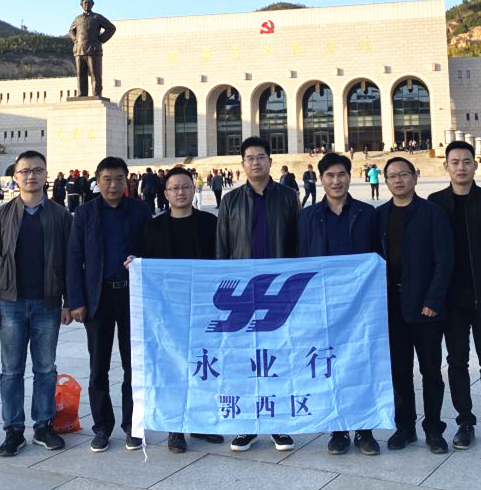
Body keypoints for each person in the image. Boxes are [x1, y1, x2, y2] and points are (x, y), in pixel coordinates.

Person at [0, 150, 73, 456]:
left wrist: (69, 301)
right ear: (15, 177)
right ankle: (13, 430)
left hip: (47, 303)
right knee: (11, 370)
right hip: (10, 303)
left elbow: (71, 261)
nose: (31, 176)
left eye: (37, 170)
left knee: (45, 368)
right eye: (25, 171)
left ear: (46, 175)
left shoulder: (61, 215)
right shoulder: (1, 215)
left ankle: (43, 426)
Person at [427, 141, 481, 453]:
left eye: (466, 161)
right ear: (446, 166)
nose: (461, 167)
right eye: (455, 162)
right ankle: (465, 422)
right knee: (457, 362)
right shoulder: (435, 203)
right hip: (452, 299)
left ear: (475, 165)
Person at [216, 136, 300, 453]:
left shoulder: (288, 197)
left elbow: (297, 242)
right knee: (245, 360)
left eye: (261, 157)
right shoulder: (231, 201)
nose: (255, 162)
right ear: (242, 164)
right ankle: (247, 425)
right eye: (250, 157)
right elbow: (222, 247)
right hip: (243, 293)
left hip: (277, 291)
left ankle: (278, 424)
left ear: (270, 161)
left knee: (276, 358)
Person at [297, 152, 381, 455]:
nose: (336, 181)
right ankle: (338, 430)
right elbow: (300, 259)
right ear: (320, 179)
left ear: (350, 176)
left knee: (361, 364)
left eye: (341, 174)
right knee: (330, 365)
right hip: (324, 303)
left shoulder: (367, 213)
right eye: (330, 176)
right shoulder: (307, 217)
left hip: (360, 304)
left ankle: (364, 429)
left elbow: (377, 256)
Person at [67, 157, 152, 453]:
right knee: (98, 366)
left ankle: (132, 426)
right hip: (98, 298)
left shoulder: (141, 210)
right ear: (98, 181)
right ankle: (102, 427)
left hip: (132, 297)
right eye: (107, 179)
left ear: (127, 180)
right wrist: (76, 301)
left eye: (118, 179)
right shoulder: (84, 213)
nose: (113, 185)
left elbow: (151, 250)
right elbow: (74, 258)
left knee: (133, 365)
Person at [137, 167, 224, 453]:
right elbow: (145, 263)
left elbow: (222, 261)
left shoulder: (210, 223)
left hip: (203, 307)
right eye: (174, 188)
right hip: (168, 311)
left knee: (203, 364)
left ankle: (201, 423)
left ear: (193, 189)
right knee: (173, 367)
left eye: (185, 186)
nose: (180, 192)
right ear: (165, 193)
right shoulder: (153, 227)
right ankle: (176, 428)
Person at [377, 156, 454, 453]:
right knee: (399, 372)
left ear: (415, 177)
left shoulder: (432, 213)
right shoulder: (379, 215)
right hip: (392, 308)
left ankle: (434, 429)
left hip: (426, 309)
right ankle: (405, 427)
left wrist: (433, 300)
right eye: (392, 176)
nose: (398, 180)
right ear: (385, 181)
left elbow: (444, 260)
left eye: (403, 174)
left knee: (431, 372)